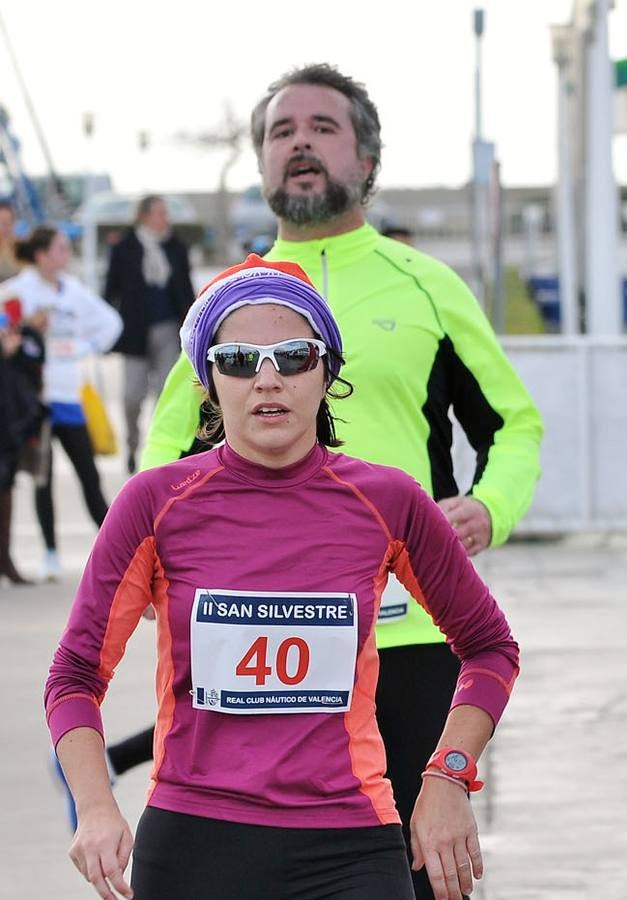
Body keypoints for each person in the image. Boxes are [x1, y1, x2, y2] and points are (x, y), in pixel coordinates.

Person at [129, 63, 542, 900]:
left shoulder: (426, 285)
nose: (301, 145)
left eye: (322, 128)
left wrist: (489, 507)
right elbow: (163, 457)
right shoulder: (225, 309)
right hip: (252, 641)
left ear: (366, 156)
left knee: (422, 876)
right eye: (282, 132)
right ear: (263, 162)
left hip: (409, 638)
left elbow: (515, 425)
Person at [45, 256, 518, 900]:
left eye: (294, 355)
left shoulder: (390, 500)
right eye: (239, 359)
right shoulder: (155, 503)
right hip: (193, 841)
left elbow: (490, 647)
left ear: (326, 372)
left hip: (351, 847)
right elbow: (74, 673)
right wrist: (96, 806)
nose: (268, 379)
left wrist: (448, 775)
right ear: (208, 382)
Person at [3, 226, 122, 581]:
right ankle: (51, 554)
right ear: (41, 254)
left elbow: (111, 324)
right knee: (44, 478)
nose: (64, 254)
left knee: (89, 474)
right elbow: (6, 330)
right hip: (35, 400)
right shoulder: (18, 291)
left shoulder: (73, 291)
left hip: (69, 395)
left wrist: (85, 347)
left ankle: (120, 548)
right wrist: (25, 336)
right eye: (58, 248)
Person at [104, 195, 195, 473]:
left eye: (166, 213)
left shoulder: (176, 247)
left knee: (165, 393)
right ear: (143, 216)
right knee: (132, 396)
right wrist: (105, 329)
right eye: (159, 213)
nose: (165, 218)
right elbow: (110, 290)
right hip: (135, 332)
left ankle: (160, 451)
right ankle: (131, 445)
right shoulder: (125, 248)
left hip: (169, 328)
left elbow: (186, 288)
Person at [0, 307, 42, 584]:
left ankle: (5, 559)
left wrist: (26, 334)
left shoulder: (16, 360)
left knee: (5, 498)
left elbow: (37, 359)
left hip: (8, 440)